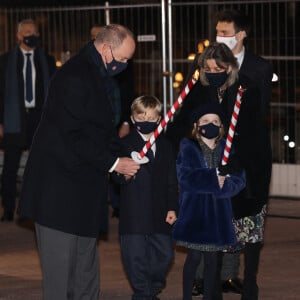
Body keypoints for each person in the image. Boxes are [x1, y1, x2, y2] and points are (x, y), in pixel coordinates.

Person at [17, 24, 140, 300]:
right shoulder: (74, 75)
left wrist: (123, 159)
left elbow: (103, 130)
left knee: (86, 269)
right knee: (60, 277)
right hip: (58, 192)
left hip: (84, 188)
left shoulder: (100, 74)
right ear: (106, 48)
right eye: (122, 59)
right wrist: (113, 163)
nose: (125, 66)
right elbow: (72, 136)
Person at [189, 10, 273, 298]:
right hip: (212, 151)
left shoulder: (258, 68)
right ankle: (203, 277)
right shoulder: (205, 66)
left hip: (244, 154)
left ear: (241, 34)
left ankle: (230, 276)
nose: (220, 36)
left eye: (225, 32)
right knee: (211, 217)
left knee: (242, 221)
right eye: (217, 31)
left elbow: (259, 114)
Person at [172, 102, 245, 300]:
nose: (210, 125)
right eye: (205, 121)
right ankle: (187, 296)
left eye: (215, 121)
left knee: (213, 260)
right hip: (195, 212)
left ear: (222, 126)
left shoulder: (227, 149)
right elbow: (185, 177)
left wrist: (224, 186)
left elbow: (239, 179)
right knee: (194, 257)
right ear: (196, 126)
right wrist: (212, 178)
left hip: (219, 213)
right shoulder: (189, 147)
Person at [112, 95, 178, 300]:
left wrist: (172, 207)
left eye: (151, 118)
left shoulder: (166, 146)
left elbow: (171, 180)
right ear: (132, 119)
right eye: (140, 117)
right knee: (135, 257)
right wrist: (123, 174)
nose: (145, 122)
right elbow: (115, 177)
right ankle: (142, 293)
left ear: (159, 120)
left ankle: (153, 287)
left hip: (160, 211)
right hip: (134, 212)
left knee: (165, 255)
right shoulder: (124, 144)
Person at [0, 19, 56, 222]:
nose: (31, 34)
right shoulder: (5, 61)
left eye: (34, 31)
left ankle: (39, 207)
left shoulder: (47, 60)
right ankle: (7, 208)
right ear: (18, 35)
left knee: (42, 164)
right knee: (10, 166)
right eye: (27, 31)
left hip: (39, 118)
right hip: (14, 118)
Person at [90, 23, 136, 218]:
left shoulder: (116, 66)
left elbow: (128, 92)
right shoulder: (86, 74)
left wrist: (126, 121)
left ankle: (117, 205)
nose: (125, 62)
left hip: (115, 123)